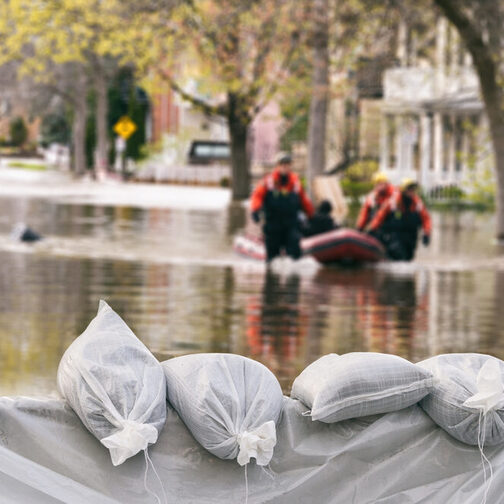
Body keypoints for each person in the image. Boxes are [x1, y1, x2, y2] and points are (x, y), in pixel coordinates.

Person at [250, 154, 314, 262]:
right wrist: (255, 210)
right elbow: (257, 196)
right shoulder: (268, 182)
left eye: (287, 164)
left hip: (291, 224)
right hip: (273, 225)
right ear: (278, 166)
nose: (285, 167)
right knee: (272, 257)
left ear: (290, 166)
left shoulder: (295, 183)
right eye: (282, 164)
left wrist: (311, 215)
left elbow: (304, 200)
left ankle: (294, 276)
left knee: (295, 253)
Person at [367, 178, 431, 261]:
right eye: (409, 189)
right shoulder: (393, 202)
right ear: (403, 190)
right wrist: (372, 229)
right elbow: (380, 216)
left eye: (413, 189)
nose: (411, 192)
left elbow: (426, 219)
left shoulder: (417, 203)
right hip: (395, 236)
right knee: (398, 255)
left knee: (408, 258)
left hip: (411, 237)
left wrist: (427, 233)